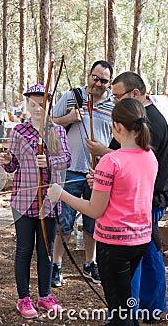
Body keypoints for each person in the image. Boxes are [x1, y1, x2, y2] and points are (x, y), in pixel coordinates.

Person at [49, 98, 158, 326]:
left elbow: (95, 210)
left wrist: (61, 193)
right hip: (140, 241)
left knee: (119, 311)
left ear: (117, 126)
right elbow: (124, 190)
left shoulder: (111, 160)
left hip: (114, 245)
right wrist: (98, 181)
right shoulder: (149, 156)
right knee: (125, 302)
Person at [86, 71, 168, 324]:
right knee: (143, 251)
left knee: (144, 253)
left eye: (117, 96)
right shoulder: (141, 120)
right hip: (142, 200)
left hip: (149, 200)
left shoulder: (149, 123)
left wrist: (104, 154)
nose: (114, 101)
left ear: (135, 94)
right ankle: (134, 311)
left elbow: (134, 169)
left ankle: (138, 310)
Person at [0, 83, 71, 319]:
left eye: (42, 104)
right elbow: (13, 167)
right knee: (24, 248)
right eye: (33, 104)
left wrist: (49, 162)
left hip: (48, 200)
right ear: (27, 106)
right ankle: (23, 298)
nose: (38, 108)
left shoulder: (57, 131)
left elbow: (67, 159)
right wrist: (7, 160)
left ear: (49, 105)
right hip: (23, 199)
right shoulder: (19, 131)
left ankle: (44, 296)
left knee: (46, 249)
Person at [51, 60, 114, 287]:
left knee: (94, 222)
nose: (98, 83)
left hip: (99, 173)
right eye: (95, 77)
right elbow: (51, 122)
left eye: (103, 80)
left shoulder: (114, 105)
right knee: (65, 221)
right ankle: (56, 265)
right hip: (70, 170)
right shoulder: (72, 96)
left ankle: (90, 263)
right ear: (88, 75)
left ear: (110, 83)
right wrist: (68, 118)